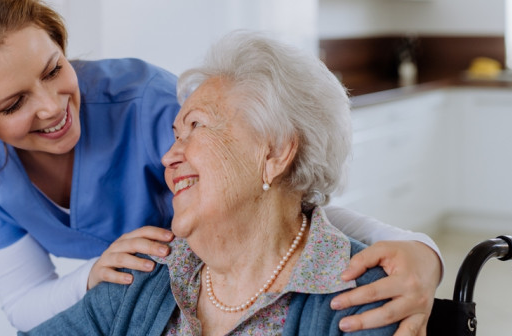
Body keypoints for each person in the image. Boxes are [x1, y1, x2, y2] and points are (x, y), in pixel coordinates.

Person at [0, 0, 441, 333]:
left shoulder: (149, 104)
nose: (51, 106)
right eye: (12, 104)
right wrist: (95, 277)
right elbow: (26, 303)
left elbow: (282, 195)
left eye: (55, 70)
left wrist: (417, 249)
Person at [21, 30, 399, 336]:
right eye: (174, 134)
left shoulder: (361, 297)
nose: (168, 157)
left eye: (195, 126)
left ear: (274, 153)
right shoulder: (146, 274)